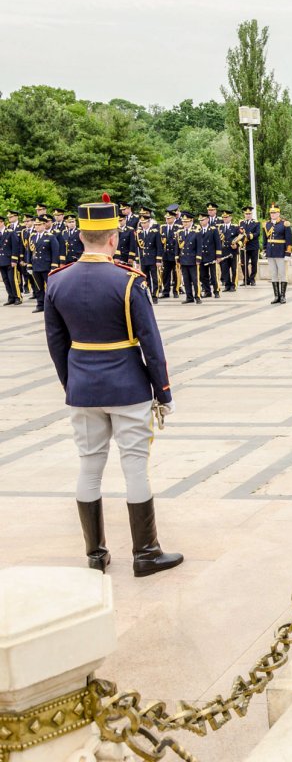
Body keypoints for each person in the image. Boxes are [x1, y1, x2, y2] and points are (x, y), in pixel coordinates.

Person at [43, 196, 183, 577]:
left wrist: (72, 384)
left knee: (89, 466)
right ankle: (146, 553)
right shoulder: (128, 281)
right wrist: (163, 392)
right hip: (127, 387)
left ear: (80, 235)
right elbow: (151, 344)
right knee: (135, 466)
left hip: (83, 389)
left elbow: (57, 345)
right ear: (112, 238)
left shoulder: (57, 281)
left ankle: (95, 554)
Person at [27, 215, 63, 313]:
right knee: (38, 287)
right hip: (36, 265)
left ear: (44, 225)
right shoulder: (33, 237)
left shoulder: (50, 237)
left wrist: (54, 266)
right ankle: (40, 305)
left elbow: (55, 252)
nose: (37, 227)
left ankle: (53, 306)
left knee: (50, 287)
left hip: (46, 265)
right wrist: (29, 265)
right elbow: (29, 251)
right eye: (35, 225)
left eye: (39, 225)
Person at [263, 204, 292, 304]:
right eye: (271, 212)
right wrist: (265, 250)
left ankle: (283, 296)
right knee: (274, 275)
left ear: (278, 213)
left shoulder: (284, 224)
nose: (273, 214)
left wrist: (288, 253)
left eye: (274, 212)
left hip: (281, 252)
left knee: (282, 274)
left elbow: (289, 239)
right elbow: (265, 239)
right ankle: (276, 296)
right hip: (271, 252)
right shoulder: (266, 224)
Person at [134, 210, 161, 304]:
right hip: (143, 259)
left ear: (149, 222)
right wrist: (137, 261)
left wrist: (158, 259)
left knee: (155, 278)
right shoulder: (139, 233)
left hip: (153, 258)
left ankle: (155, 295)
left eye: (145, 223)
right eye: (141, 223)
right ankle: (147, 294)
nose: (143, 225)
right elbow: (137, 247)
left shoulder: (155, 232)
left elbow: (159, 246)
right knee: (145, 278)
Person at [177, 211, 201, 304]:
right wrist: (177, 257)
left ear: (191, 221)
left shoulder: (196, 232)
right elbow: (177, 246)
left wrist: (198, 258)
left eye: (187, 222)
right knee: (186, 280)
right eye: (183, 222)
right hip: (183, 259)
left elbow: (199, 246)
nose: (185, 223)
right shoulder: (180, 232)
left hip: (193, 259)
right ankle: (189, 297)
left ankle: (197, 296)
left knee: (195, 279)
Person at [159, 207, 179, 299]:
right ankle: (166, 291)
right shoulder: (162, 227)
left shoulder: (178, 227)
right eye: (166, 218)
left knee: (176, 273)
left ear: (174, 218)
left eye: (169, 218)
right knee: (165, 273)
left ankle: (176, 290)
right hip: (166, 254)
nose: (167, 220)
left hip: (175, 255)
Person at [240, 206, 260, 286]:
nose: (248, 215)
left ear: (251, 214)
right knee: (243, 263)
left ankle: (252, 279)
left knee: (254, 263)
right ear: (244, 214)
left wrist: (249, 236)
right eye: (246, 214)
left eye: (249, 214)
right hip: (244, 246)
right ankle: (246, 279)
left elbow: (257, 233)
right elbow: (239, 233)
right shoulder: (241, 223)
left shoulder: (256, 223)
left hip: (253, 246)